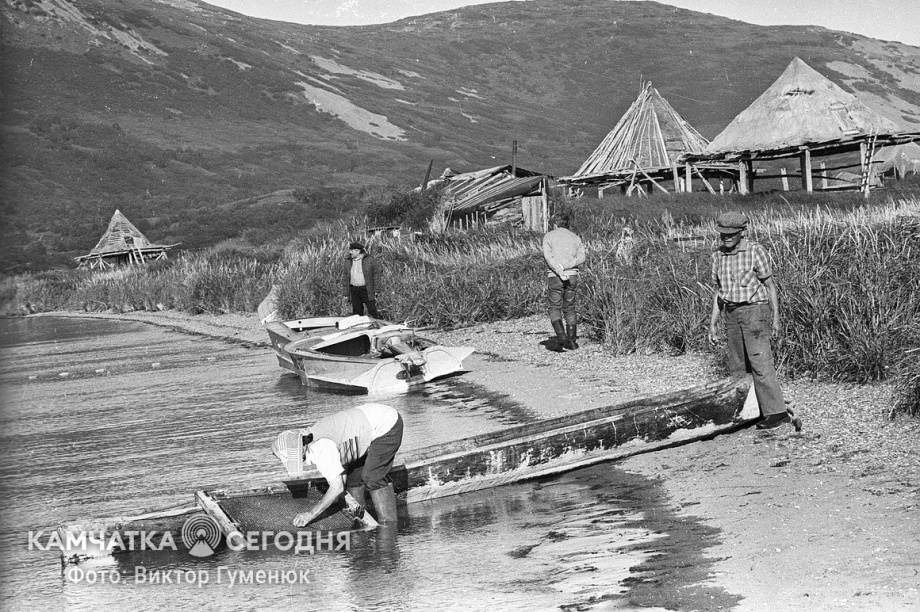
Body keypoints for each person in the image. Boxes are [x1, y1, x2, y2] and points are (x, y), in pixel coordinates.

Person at [708, 211, 802, 432]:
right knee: (737, 366)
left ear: (743, 232)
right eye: (723, 234)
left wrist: (776, 318)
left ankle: (777, 413)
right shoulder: (717, 256)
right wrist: (712, 324)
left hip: (755, 312)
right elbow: (717, 293)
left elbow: (770, 286)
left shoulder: (755, 251)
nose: (726, 238)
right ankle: (748, 412)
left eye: (731, 234)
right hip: (731, 313)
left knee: (760, 363)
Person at [272, 403, 403, 525]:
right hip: (364, 425)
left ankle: (389, 525)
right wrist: (341, 486)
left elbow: (337, 487)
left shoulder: (321, 448)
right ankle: (362, 520)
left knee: (372, 476)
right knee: (353, 480)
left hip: (387, 424)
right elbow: (341, 459)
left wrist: (310, 515)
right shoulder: (308, 438)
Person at [542, 209, 586, 351]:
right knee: (570, 307)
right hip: (572, 275)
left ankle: (561, 336)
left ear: (555, 224)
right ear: (568, 224)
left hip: (554, 276)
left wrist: (560, 270)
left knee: (554, 307)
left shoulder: (548, 236)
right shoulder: (575, 237)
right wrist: (567, 266)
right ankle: (572, 341)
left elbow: (549, 258)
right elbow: (582, 258)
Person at [343, 241, 381, 319]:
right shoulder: (348, 261)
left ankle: (378, 325)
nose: (350, 252)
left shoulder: (369, 260)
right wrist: (345, 293)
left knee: (372, 310)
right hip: (354, 290)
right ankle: (359, 328)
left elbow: (376, 275)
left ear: (358, 251)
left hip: (367, 289)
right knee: (357, 313)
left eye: (352, 251)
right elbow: (345, 278)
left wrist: (377, 290)